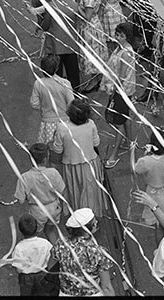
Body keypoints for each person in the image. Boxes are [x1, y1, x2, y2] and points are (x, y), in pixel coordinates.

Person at [51, 99, 109, 216]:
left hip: (71, 166)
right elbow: (96, 143)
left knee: (75, 191)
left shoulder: (62, 128)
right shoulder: (91, 124)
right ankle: (91, 215)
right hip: (90, 164)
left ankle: (78, 216)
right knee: (90, 191)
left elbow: (58, 150)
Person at [52, 208, 115, 296]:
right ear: (86, 229)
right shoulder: (98, 252)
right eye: (94, 222)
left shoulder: (60, 244)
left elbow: (54, 260)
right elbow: (106, 287)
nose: (96, 222)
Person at [13, 143, 66, 244]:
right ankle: (56, 252)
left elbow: (20, 200)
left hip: (36, 211)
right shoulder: (53, 173)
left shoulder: (25, 177)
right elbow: (62, 191)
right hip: (53, 208)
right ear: (46, 159)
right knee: (50, 230)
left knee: (34, 235)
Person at [99, 22, 136, 168]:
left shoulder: (125, 52)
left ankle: (114, 154)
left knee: (117, 122)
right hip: (123, 90)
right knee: (125, 117)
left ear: (127, 37)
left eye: (121, 35)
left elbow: (121, 76)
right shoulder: (121, 49)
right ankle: (129, 142)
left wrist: (114, 90)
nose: (118, 37)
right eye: (117, 34)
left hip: (121, 91)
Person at [30, 55, 74, 145]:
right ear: (57, 68)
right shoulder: (65, 83)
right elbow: (71, 103)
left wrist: (44, 106)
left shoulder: (38, 83)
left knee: (49, 147)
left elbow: (34, 103)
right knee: (65, 146)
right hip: (65, 121)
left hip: (47, 123)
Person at [10, 213, 56, 296]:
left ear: (21, 230)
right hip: (43, 275)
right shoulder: (45, 243)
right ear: (37, 227)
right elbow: (51, 260)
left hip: (26, 279)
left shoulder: (19, 247)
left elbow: (18, 269)